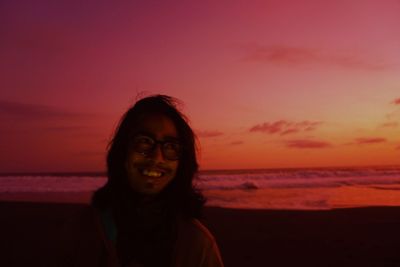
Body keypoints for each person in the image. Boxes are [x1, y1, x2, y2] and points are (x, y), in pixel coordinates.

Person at [55, 95, 224, 267]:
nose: (156, 157)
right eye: (144, 142)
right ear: (122, 151)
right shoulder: (84, 229)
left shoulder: (197, 244)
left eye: (171, 146)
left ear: (182, 163)